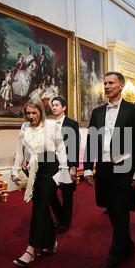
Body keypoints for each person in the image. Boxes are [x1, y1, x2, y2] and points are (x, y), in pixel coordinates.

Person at [84, 71, 135, 268]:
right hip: (103, 169)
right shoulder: (97, 112)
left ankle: (112, 262)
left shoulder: (134, 110)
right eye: (105, 83)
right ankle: (127, 244)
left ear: (121, 86)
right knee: (111, 209)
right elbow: (92, 140)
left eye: (111, 83)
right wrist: (87, 168)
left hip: (124, 168)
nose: (107, 86)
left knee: (120, 210)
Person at [11, 102, 73, 268]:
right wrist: (15, 170)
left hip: (50, 168)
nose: (31, 116)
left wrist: (64, 169)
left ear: (41, 112)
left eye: (34, 113)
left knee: (39, 208)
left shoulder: (51, 125)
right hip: (32, 170)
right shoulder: (25, 127)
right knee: (42, 207)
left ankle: (30, 250)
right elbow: (19, 150)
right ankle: (51, 243)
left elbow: (60, 147)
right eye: (28, 113)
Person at [49, 96, 80, 233]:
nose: (54, 107)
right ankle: (60, 216)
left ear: (64, 107)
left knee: (67, 195)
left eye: (56, 105)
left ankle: (64, 223)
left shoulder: (72, 123)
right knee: (50, 193)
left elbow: (74, 146)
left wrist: (73, 167)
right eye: (53, 105)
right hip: (51, 165)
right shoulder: (48, 124)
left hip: (67, 164)